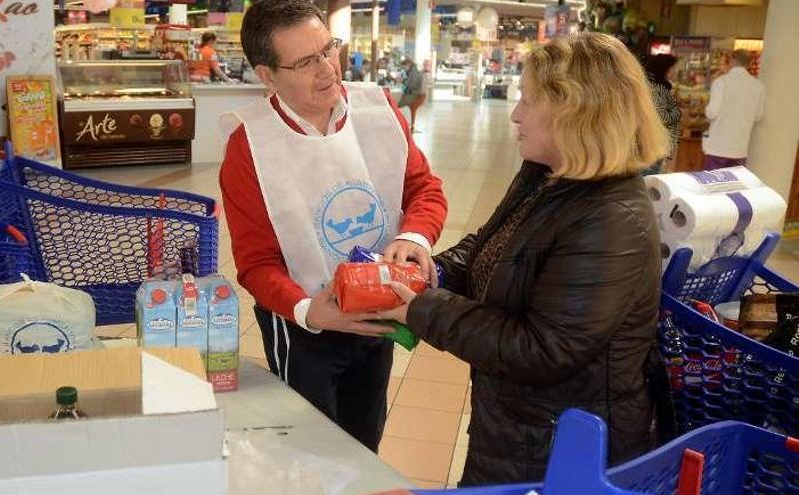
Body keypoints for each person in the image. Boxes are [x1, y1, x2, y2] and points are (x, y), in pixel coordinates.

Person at [379, 32, 669, 485]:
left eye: (528, 102)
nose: (515, 115)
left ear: (575, 113)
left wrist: (420, 308)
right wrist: (430, 268)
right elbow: (493, 245)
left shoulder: (614, 218)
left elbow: (543, 349)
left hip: (562, 447)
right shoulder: (550, 175)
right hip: (521, 427)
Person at [218, 0, 447, 453]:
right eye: (305, 62)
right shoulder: (251, 147)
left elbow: (424, 188)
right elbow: (256, 263)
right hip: (305, 325)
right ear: (267, 75)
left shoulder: (376, 109)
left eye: (329, 50)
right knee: (308, 452)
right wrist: (308, 311)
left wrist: (412, 236)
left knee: (365, 441)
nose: (327, 70)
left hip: (378, 312)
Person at [702, 49, 765, 170]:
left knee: (711, 185)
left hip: (718, 147)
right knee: (732, 185)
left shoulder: (721, 82)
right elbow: (758, 116)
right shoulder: (758, 86)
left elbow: (712, 113)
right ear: (749, 64)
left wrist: (706, 108)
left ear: (732, 60)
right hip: (740, 148)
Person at [641, 54, 681, 175]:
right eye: (674, 68)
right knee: (649, 177)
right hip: (654, 141)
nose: (675, 71)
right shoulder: (661, 90)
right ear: (666, 70)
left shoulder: (645, 86)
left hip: (645, 141)